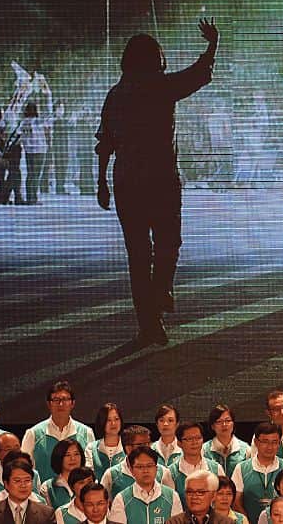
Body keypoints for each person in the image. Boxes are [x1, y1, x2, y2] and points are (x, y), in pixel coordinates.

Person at [96, 19, 219, 345]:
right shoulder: (159, 86)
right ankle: (162, 288)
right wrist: (212, 44)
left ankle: (149, 324)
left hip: (126, 182)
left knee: (138, 255)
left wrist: (101, 182)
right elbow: (198, 74)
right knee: (168, 243)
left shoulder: (115, 94)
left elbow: (104, 142)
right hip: (161, 180)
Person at [22, 382, 95, 483]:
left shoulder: (86, 433)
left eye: (65, 399)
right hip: (45, 494)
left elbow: (90, 469)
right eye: (56, 400)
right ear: (49, 404)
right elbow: (24, 469)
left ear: (72, 403)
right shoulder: (33, 434)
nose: (61, 404)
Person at [107, 447, 182, 524]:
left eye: (149, 466)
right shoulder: (121, 499)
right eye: (140, 467)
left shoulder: (172, 496)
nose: (145, 471)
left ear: (156, 469)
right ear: (131, 470)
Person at [232, 424, 283, 522]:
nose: (270, 447)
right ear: (256, 442)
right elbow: (236, 502)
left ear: (279, 444)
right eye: (265, 442)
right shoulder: (241, 468)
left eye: (274, 442)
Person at [100, 426, 173, 499]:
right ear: (128, 447)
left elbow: (171, 500)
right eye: (142, 445)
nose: (146, 448)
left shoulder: (163, 472)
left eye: (148, 443)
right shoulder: (111, 475)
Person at [0, 458, 55, 524]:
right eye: (17, 481)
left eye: (27, 480)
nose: (23, 485)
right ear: (6, 484)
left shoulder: (46, 514)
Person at [170, 423, 224, 496]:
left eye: (198, 438)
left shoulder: (216, 469)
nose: (194, 442)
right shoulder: (171, 472)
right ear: (179, 443)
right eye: (189, 439)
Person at [166, 470, 230, 524]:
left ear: (213, 495)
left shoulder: (226, 522)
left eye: (200, 492)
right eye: (190, 492)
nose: (194, 497)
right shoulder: (173, 522)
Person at [203, 406, 250, 476]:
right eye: (219, 421)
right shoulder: (204, 449)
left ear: (233, 423)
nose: (224, 425)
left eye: (228, 421)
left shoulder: (246, 449)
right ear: (212, 426)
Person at [38, 440, 85, 510]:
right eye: (67, 455)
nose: (73, 458)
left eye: (76, 454)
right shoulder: (47, 487)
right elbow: (46, 515)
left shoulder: (90, 482)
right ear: (59, 457)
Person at [86, 405, 124, 482]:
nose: (113, 423)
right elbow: (89, 477)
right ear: (102, 422)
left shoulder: (128, 446)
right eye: (108, 420)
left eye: (116, 419)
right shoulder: (91, 448)